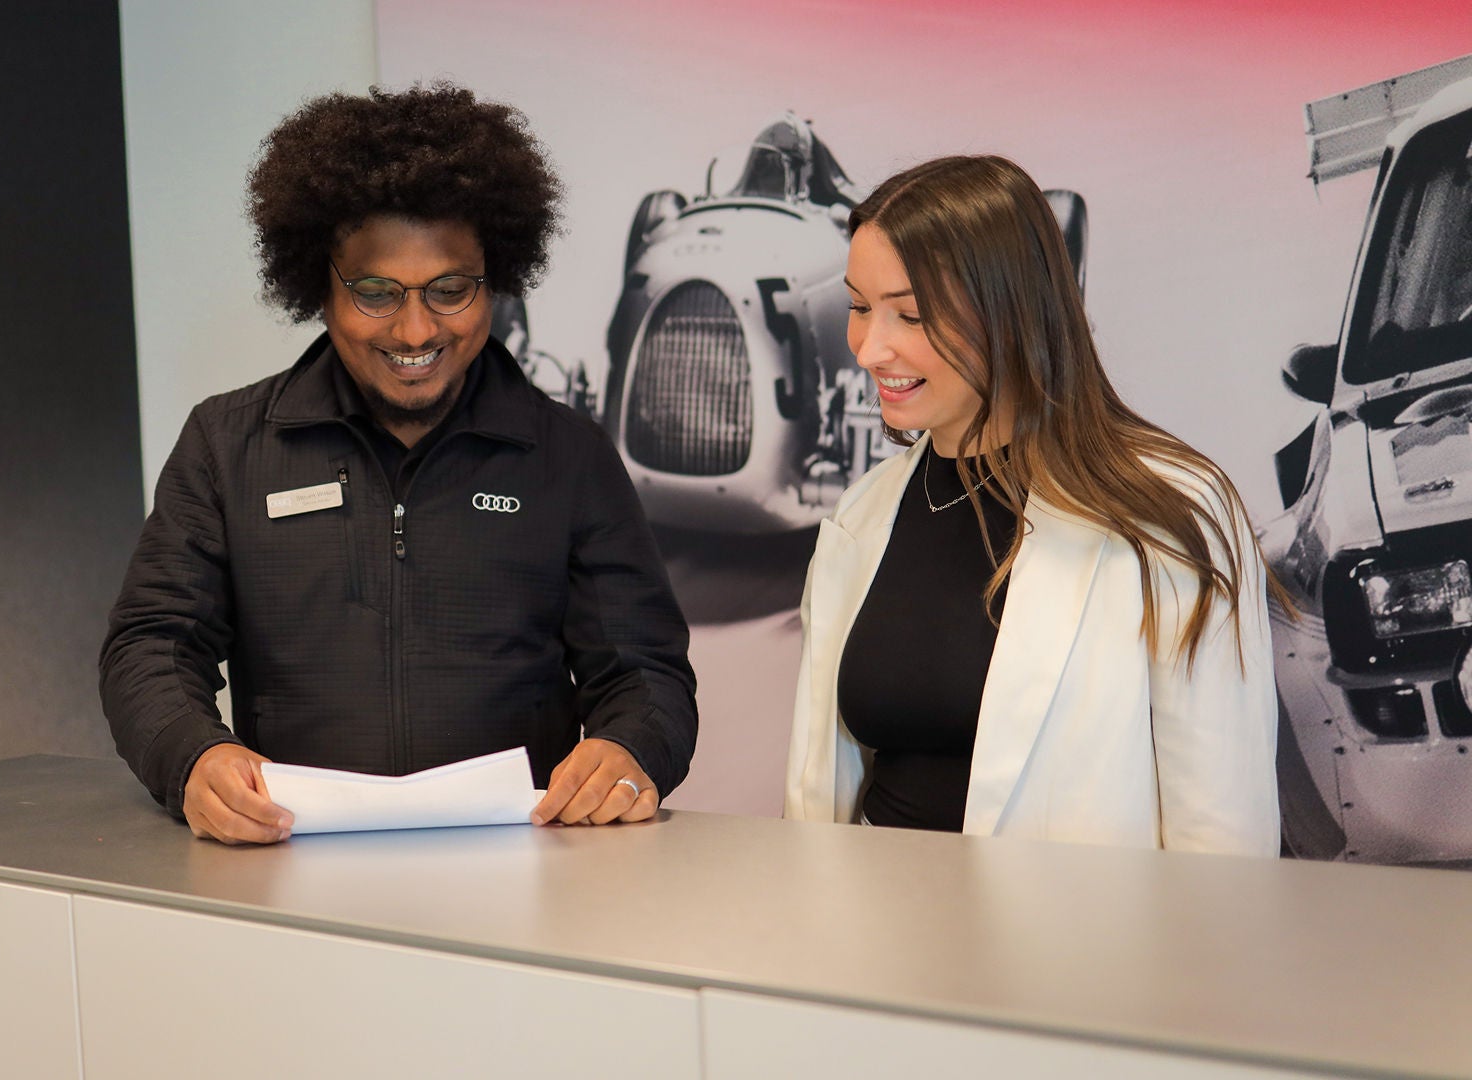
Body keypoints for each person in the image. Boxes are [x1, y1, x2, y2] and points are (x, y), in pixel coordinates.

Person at [101, 83, 697, 844]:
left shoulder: (568, 457)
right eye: (377, 292)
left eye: (449, 290)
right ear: (320, 287)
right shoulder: (227, 444)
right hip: (286, 861)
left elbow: (645, 674)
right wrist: (193, 756)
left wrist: (630, 746)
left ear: (494, 284)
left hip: (525, 871)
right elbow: (152, 645)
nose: (415, 330)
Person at [785, 155, 1281, 855]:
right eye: (860, 308)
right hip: (864, 918)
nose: (868, 350)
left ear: (1010, 314)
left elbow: (1223, 841)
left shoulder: (1171, 516)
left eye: (911, 315)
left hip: (1070, 927)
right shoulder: (863, 514)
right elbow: (824, 790)